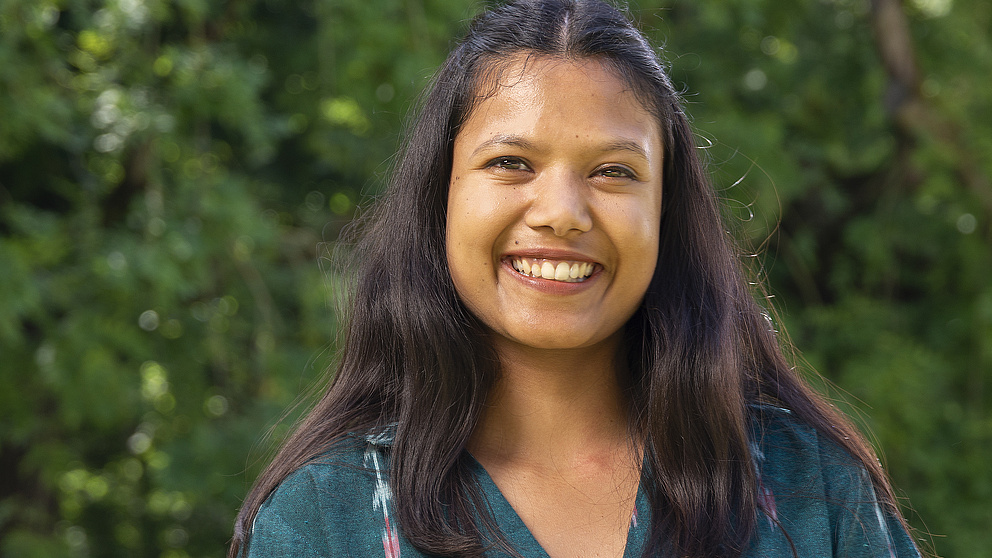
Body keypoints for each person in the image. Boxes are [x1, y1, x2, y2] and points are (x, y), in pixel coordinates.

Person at [230, 1, 923, 556]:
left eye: (613, 171)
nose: (561, 213)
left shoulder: (808, 489)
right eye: (511, 163)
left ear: (665, 212)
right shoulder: (324, 517)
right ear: (441, 195)